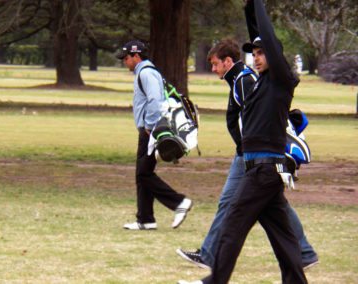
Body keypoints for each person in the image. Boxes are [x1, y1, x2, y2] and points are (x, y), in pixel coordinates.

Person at [178, 0, 309, 283]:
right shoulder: (260, 81)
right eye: (255, 53)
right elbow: (257, 34)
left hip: (264, 170)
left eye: (263, 53)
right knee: (283, 236)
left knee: (231, 226)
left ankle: (214, 281)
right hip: (263, 172)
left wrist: (259, 3)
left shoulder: (282, 81)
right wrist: (249, 9)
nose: (258, 57)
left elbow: (269, 37)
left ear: (275, 55)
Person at [116, 40, 193, 230]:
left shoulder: (146, 73)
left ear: (137, 56)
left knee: (143, 174)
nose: (125, 61)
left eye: (126, 57)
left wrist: (149, 126)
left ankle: (178, 202)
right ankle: (146, 219)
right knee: (142, 173)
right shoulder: (144, 73)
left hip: (151, 130)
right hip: (147, 130)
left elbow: (155, 100)